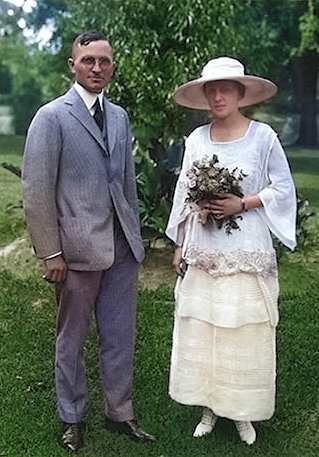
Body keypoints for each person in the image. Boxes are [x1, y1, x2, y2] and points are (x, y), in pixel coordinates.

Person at [22, 30, 155, 452]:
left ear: (112, 65)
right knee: (72, 338)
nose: (97, 68)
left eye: (105, 61)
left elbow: (126, 183)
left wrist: (135, 236)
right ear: (73, 65)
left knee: (120, 334)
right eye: (88, 61)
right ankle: (73, 417)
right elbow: (37, 191)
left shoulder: (118, 116)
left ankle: (120, 414)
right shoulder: (52, 116)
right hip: (75, 251)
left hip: (120, 246)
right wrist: (51, 252)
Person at [166, 57, 296, 445]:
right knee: (206, 325)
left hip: (245, 246)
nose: (218, 95)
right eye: (212, 89)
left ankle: (242, 411)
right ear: (205, 95)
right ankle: (208, 407)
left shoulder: (263, 137)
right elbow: (184, 195)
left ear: (241, 93)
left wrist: (245, 203)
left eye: (226, 88)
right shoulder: (196, 140)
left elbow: (284, 188)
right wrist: (180, 243)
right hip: (205, 246)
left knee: (243, 328)